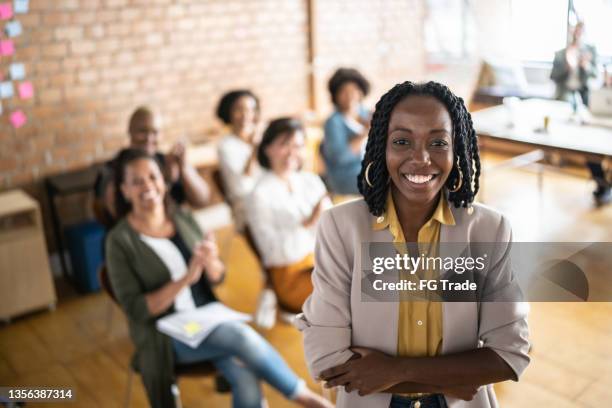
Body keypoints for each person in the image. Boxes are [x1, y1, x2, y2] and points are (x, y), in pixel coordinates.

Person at [297, 81, 530, 408]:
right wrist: (455, 376)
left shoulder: (488, 230)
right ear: (382, 146)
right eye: (402, 141)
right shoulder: (341, 228)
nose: (421, 158)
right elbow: (325, 359)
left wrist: (395, 370)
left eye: (438, 142)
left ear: (456, 148)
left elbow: (510, 354)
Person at [105, 148, 333, 408]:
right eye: (137, 181)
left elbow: (216, 277)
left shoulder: (182, 218)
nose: (147, 186)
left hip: (205, 318)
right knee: (240, 337)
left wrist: (210, 261)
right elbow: (136, 310)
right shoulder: (118, 242)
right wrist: (184, 280)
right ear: (124, 190)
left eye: (153, 177)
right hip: (165, 334)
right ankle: (306, 398)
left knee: (244, 372)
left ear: (163, 181)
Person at [246, 118, 332, 313]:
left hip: (325, 264)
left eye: (298, 146)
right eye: (285, 145)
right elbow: (274, 253)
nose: (293, 153)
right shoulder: (259, 195)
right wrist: (308, 224)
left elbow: (333, 234)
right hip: (291, 275)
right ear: (267, 148)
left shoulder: (310, 181)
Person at [93, 106, 211, 229]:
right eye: (142, 131)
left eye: (155, 132)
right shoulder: (113, 168)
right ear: (130, 132)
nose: (149, 138)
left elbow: (202, 200)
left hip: (173, 231)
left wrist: (184, 167)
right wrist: (165, 180)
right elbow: (114, 213)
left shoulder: (167, 160)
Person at [551, 22, 610, 205]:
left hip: (586, 98)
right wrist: (568, 66)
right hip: (566, 97)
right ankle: (601, 182)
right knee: (584, 139)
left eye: (580, 31)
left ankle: (602, 182)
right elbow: (554, 76)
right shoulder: (561, 53)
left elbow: (594, 76)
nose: (577, 34)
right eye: (574, 31)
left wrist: (584, 66)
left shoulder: (590, 51)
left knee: (593, 138)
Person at [320, 68, 372, 195]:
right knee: (383, 184)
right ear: (335, 96)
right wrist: (365, 134)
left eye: (353, 90)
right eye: (343, 91)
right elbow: (340, 157)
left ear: (361, 92)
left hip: (368, 169)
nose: (349, 96)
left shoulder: (365, 113)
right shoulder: (333, 122)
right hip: (344, 177)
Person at [216, 90, 263, 228]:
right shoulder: (226, 146)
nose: (245, 115)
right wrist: (255, 149)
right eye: (239, 110)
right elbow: (241, 187)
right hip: (247, 205)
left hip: (269, 194)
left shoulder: (262, 133)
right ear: (228, 113)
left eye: (250, 110)